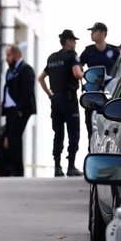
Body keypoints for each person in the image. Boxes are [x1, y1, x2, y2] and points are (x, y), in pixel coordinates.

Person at [38, 29, 84, 177]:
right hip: (69, 99)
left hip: (55, 100)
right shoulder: (72, 56)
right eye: (74, 40)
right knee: (73, 132)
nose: (75, 43)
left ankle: (57, 167)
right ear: (68, 41)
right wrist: (85, 75)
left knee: (58, 133)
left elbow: (41, 78)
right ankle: (71, 166)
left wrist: (49, 94)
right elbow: (77, 73)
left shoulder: (52, 58)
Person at [79, 22, 119, 142]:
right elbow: (78, 67)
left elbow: (120, 72)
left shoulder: (114, 51)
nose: (91, 34)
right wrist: (87, 77)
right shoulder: (88, 51)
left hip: (109, 94)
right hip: (91, 94)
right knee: (91, 127)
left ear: (103, 33)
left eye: (94, 31)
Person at [1, 44, 37, 177]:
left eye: (9, 55)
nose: (7, 58)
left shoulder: (25, 69)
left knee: (15, 137)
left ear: (16, 55)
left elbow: (27, 91)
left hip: (20, 110)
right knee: (10, 138)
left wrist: (20, 109)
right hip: (10, 109)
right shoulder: (10, 71)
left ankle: (17, 170)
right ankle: (11, 167)